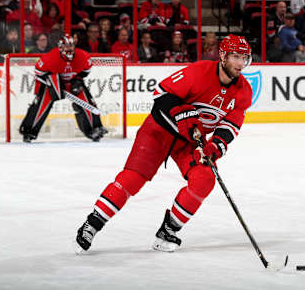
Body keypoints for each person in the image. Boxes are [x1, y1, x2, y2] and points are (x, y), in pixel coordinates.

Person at [75, 34, 253, 253]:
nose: (240, 63)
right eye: (235, 57)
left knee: (204, 179)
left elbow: (231, 124)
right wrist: (182, 115)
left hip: (189, 142)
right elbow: (161, 94)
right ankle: (92, 224)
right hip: (158, 131)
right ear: (223, 56)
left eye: (244, 58)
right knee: (132, 179)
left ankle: (168, 231)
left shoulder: (244, 91)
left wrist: (215, 146)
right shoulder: (199, 72)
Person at [19, 34, 108, 143]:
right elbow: (39, 73)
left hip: (72, 81)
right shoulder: (49, 58)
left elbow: (85, 72)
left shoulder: (83, 56)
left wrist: (77, 81)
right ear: (60, 47)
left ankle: (94, 129)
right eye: (66, 46)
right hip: (53, 82)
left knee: (87, 101)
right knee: (41, 104)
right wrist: (52, 82)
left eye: (71, 45)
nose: (69, 48)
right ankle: (28, 131)